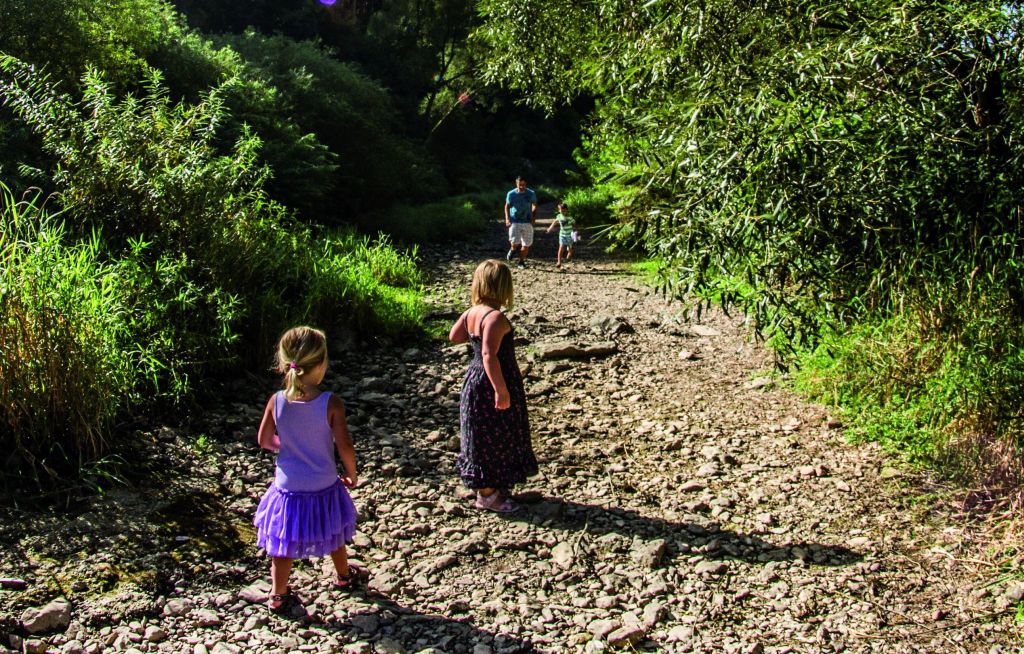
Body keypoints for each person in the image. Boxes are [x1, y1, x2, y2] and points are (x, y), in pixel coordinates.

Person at [253, 326, 359, 613]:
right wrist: (352, 474)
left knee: (282, 543)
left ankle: (277, 595)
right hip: (323, 483)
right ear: (322, 364)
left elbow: (264, 440)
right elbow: (344, 445)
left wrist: (286, 446)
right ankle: (343, 576)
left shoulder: (277, 401)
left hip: (288, 487)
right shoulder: (330, 403)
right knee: (334, 530)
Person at [449, 260, 538, 512]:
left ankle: (492, 485)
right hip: (493, 380)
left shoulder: (472, 313)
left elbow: (454, 336)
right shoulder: (496, 317)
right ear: (504, 288)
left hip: (474, 379)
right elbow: (489, 355)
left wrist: (470, 323)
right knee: (495, 433)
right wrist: (501, 389)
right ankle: (488, 495)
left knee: (480, 432)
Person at [504, 175, 538, 269]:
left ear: (525, 184)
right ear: (516, 183)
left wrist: (533, 217)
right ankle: (512, 249)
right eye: (520, 185)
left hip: (527, 221)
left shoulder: (531, 193)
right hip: (515, 221)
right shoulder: (511, 194)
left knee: (526, 244)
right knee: (515, 242)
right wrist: (507, 219)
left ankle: (521, 262)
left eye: (523, 185)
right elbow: (507, 206)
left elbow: (535, 205)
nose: (522, 186)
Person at [545, 201, 577, 268]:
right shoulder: (559, 216)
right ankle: (559, 262)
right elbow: (554, 222)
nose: (563, 212)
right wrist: (550, 228)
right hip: (562, 235)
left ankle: (569, 253)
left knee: (570, 248)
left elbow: (574, 224)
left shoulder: (570, 217)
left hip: (570, 235)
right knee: (561, 247)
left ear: (567, 210)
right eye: (561, 211)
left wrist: (575, 233)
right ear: (559, 210)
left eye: (564, 211)